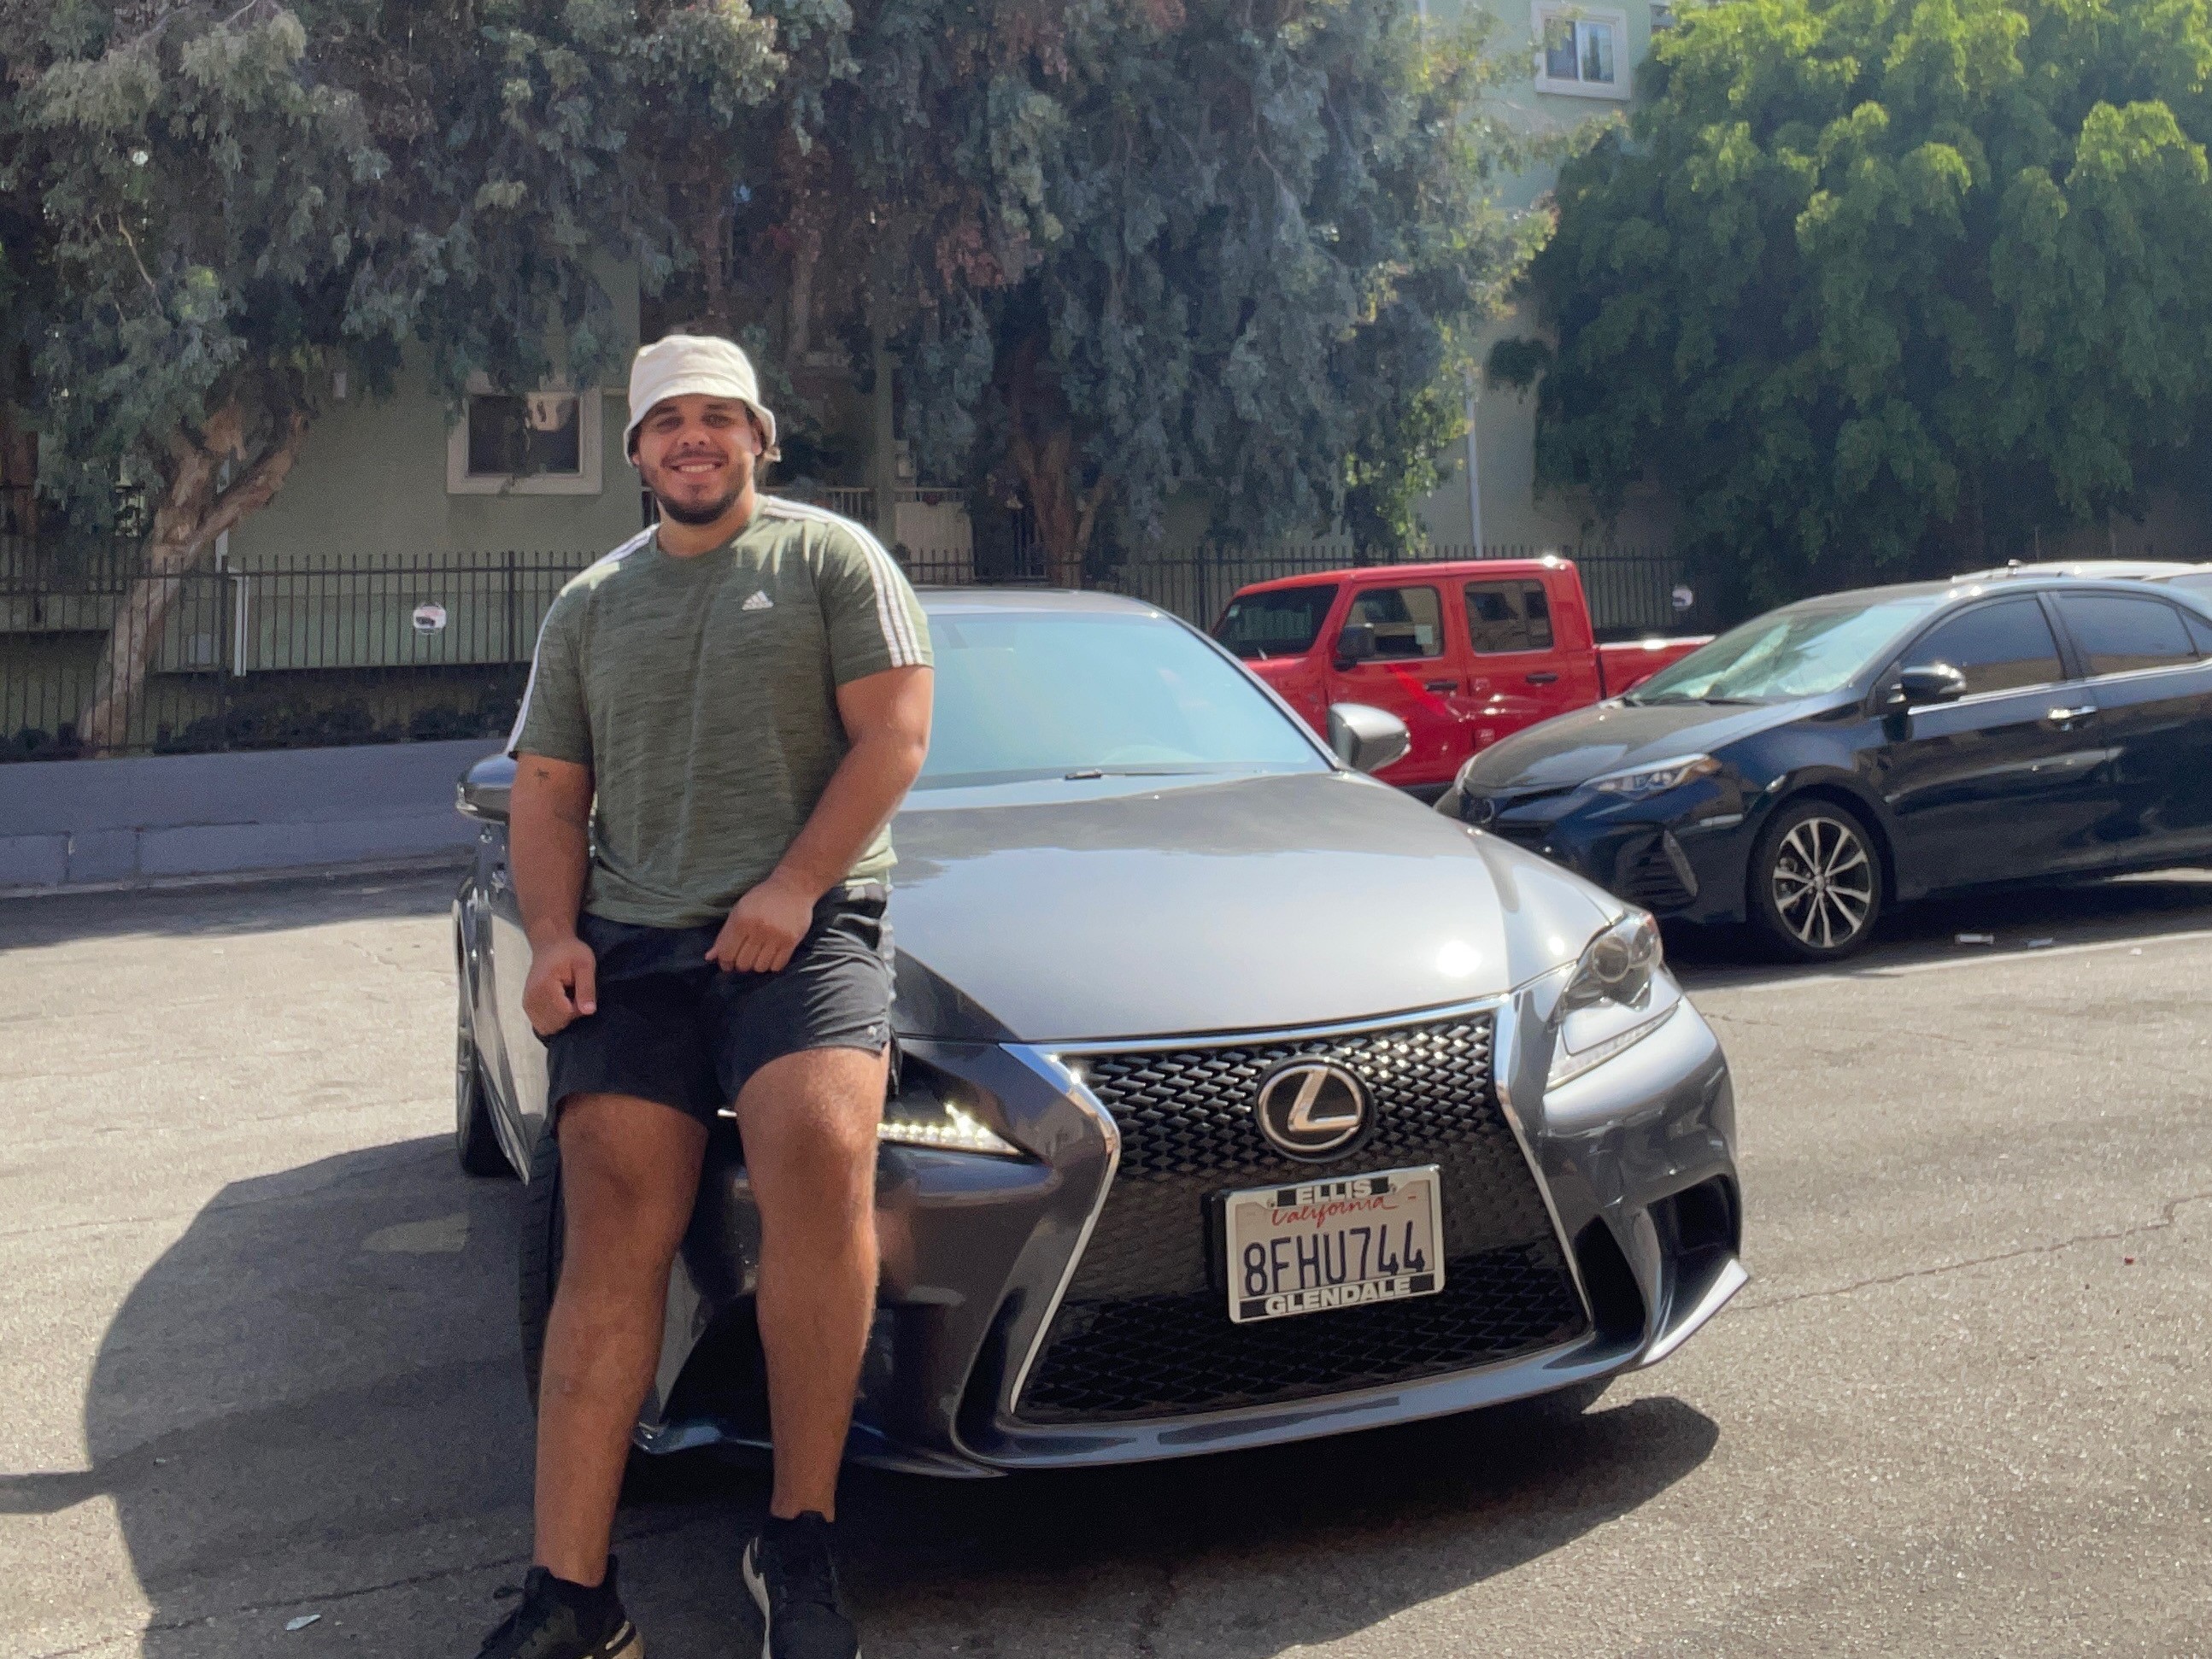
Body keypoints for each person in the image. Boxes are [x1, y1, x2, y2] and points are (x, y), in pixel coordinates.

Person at [474, 335, 934, 1659]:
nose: (694, 439)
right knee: (610, 1207)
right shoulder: (587, 604)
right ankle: (573, 1594)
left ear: (759, 438)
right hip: (636, 943)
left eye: (718, 418)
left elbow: (893, 732)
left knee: (819, 1142)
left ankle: (797, 1534)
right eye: (668, 420)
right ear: (634, 451)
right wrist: (556, 936)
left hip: (808, 926)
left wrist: (791, 885)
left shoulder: (831, 561)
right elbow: (550, 791)